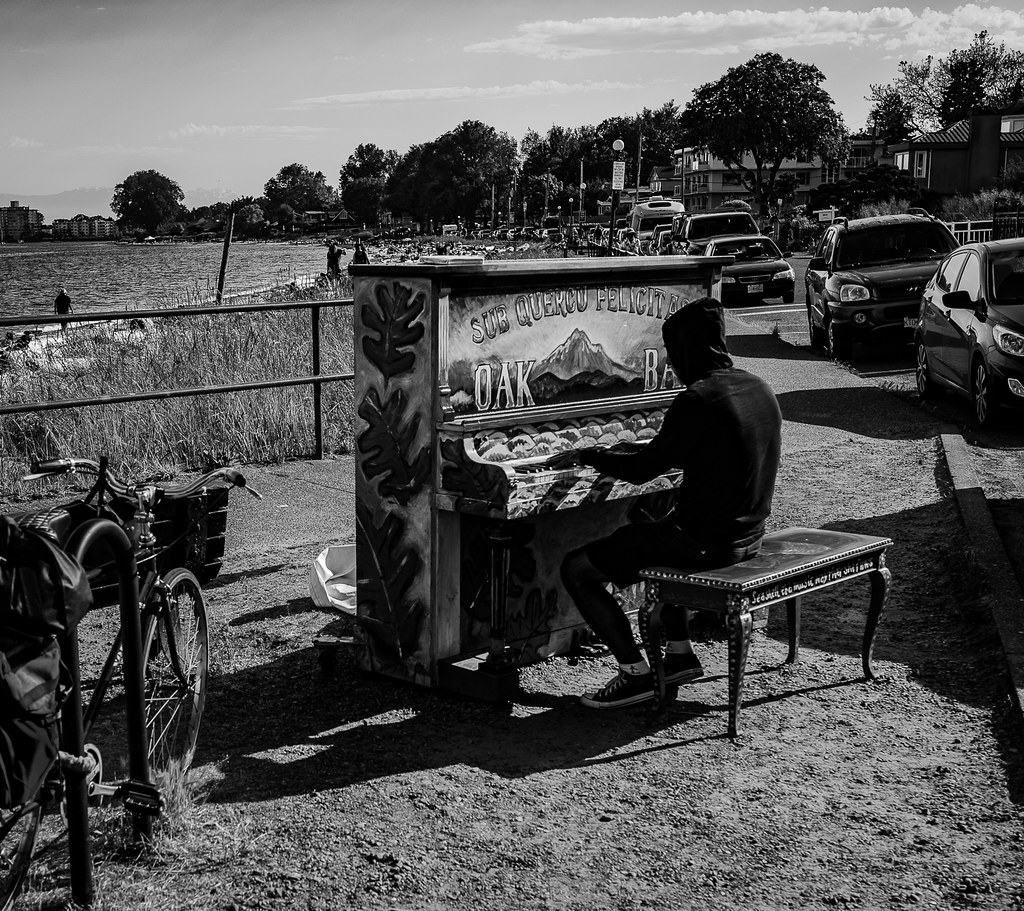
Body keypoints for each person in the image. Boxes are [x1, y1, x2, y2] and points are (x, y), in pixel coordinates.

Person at [556, 298, 783, 709]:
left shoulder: (698, 399)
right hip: (747, 537)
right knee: (655, 524)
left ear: (686, 351)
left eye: (673, 354)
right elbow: (671, 452)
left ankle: (634, 674)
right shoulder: (757, 387)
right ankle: (679, 655)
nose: (672, 366)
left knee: (577, 569)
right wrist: (618, 450)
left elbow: (642, 470)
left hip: (704, 546)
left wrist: (589, 455)